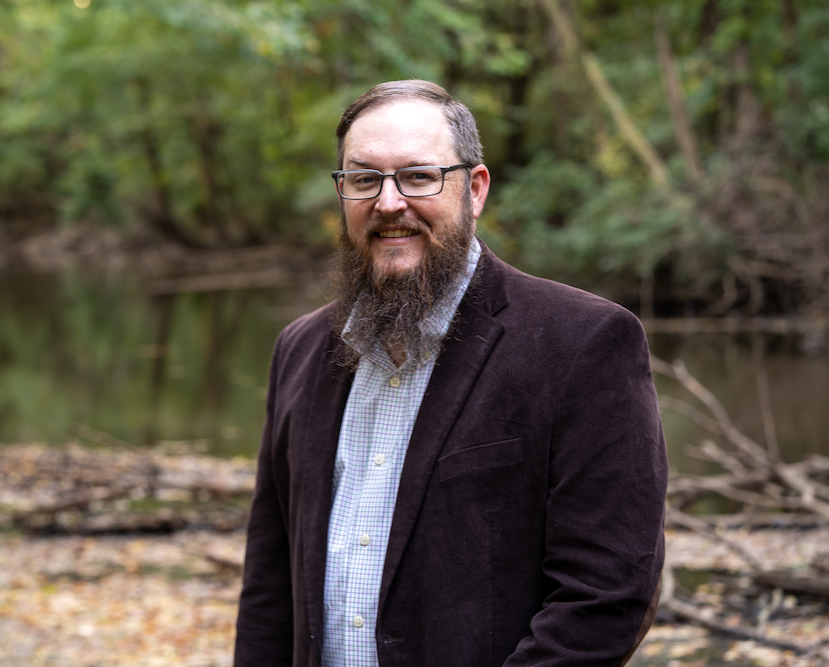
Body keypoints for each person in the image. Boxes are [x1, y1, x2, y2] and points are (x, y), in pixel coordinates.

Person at [234, 79, 668, 667]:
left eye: (418, 176)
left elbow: (606, 598)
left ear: (475, 188)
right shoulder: (302, 348)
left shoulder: (583, 342)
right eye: (364, 179)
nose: (389, 203)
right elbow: (270, 584)